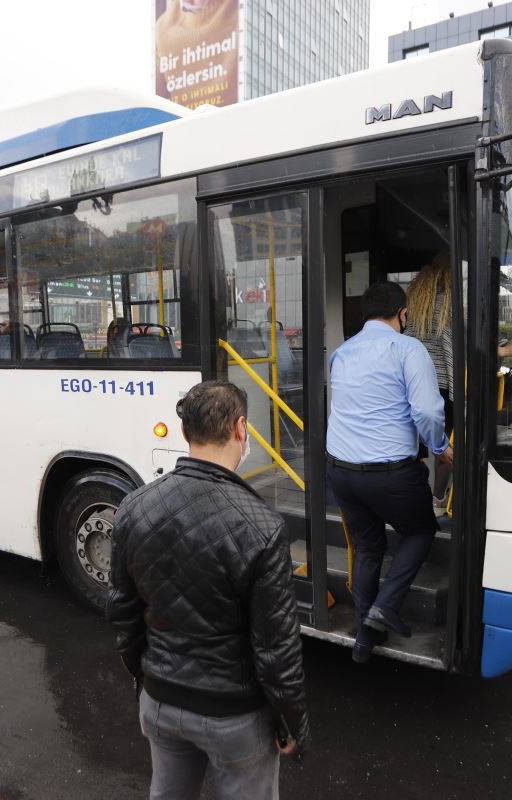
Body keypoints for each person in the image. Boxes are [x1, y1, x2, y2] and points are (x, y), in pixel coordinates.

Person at [108, 380, 309, 800]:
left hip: (160, 703)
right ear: (241, 429)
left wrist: (148, 679)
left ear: (185, 432)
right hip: (234, 717)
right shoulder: (263, 526)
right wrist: (292, 724)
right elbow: (276, 649)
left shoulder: (134, 507)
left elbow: (124, 614)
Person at [327, 282, 453, 664]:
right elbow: (427, 411)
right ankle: (385, 607)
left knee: (368, 547)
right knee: (421, 530)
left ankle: (364, 639)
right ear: (403, 314)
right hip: (391, 474)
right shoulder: (408, 349)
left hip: (341, 471)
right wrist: (439, 448)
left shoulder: (342, 352)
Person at [404, 252, 455, 514]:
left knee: (415, 445)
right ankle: (437, 499)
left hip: (413, 382)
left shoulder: (415, 303)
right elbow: (450, 349)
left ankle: (414, 495)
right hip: (441, 385)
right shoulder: (448, 303)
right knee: (444, 448)